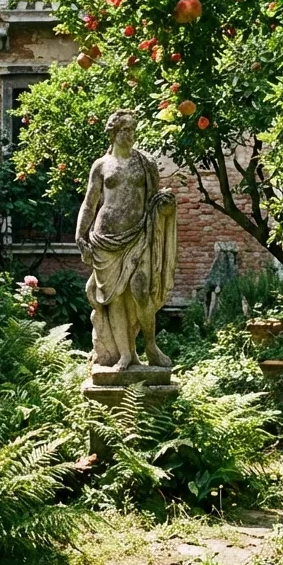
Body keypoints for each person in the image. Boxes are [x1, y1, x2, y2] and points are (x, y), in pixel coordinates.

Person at [75, 109, 177, 370]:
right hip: (105, 239)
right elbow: (90, 202)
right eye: (124, 130)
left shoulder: (145, 163)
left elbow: (154, 200)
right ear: (112, 132)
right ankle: (125, 354)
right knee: (114, 298)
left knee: (141, 290)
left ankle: (151, 346)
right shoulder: (101, 165)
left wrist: (165, 205)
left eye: (132, 130)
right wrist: (80, 234)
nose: (129, 135)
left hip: (138, 235)